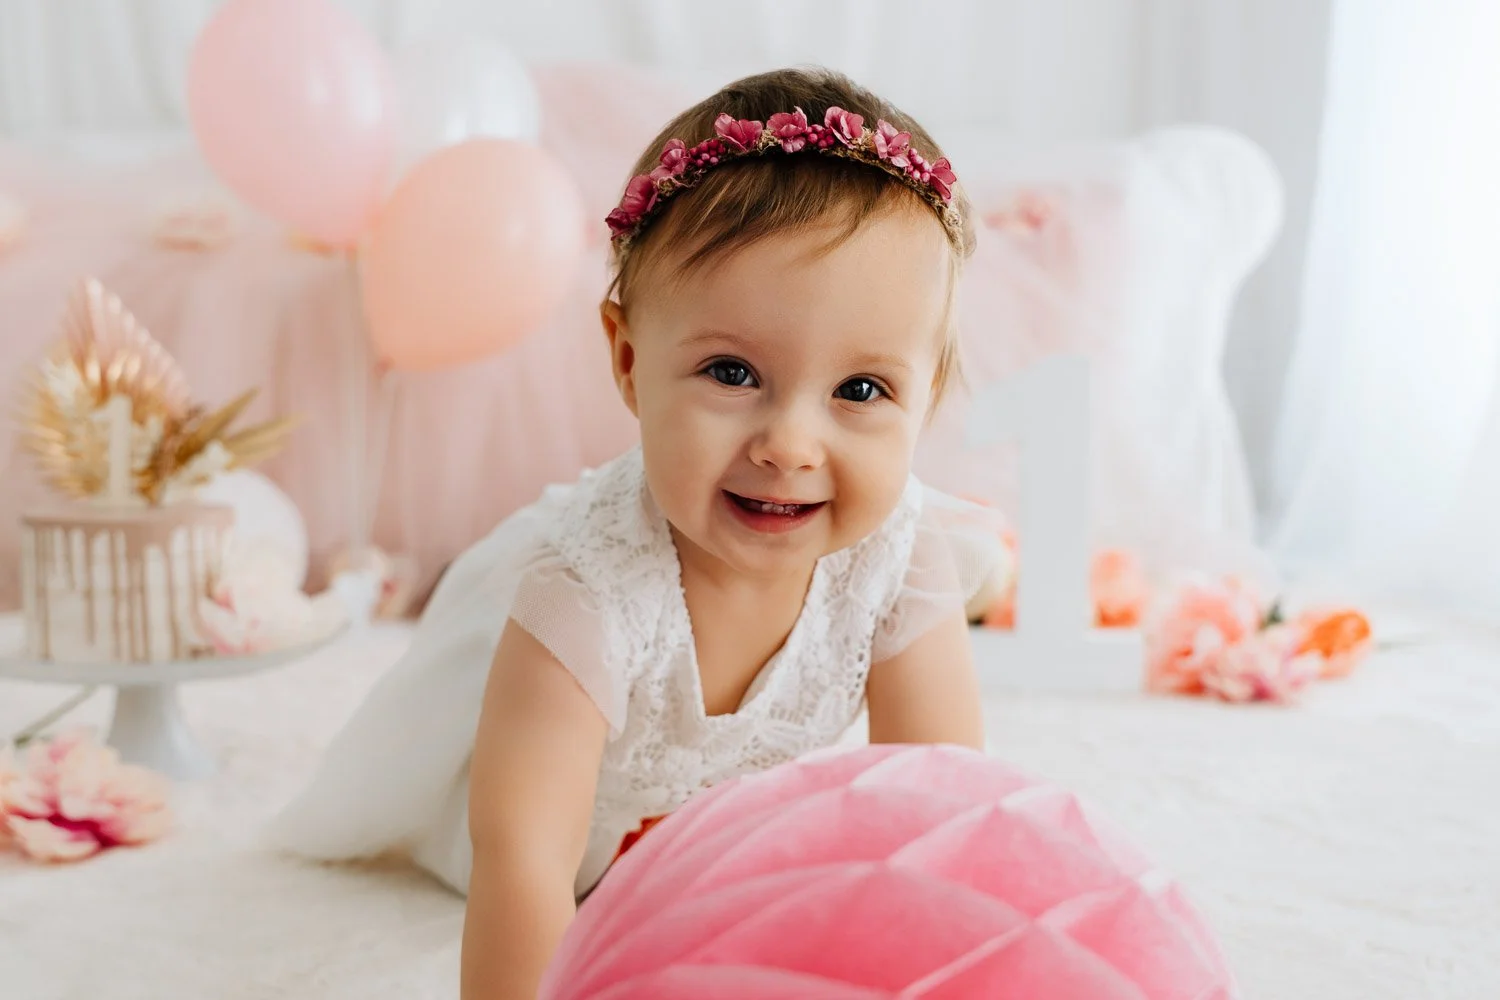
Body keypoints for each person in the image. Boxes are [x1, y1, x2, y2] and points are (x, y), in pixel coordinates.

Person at [265, 66, 1004, 999]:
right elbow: (522, 863)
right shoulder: (585, 591)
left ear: (925, 397)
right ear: (626, 358)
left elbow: (939, 806)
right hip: (558, 838)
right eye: (732, 373)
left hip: (719, 846)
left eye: (861, 391)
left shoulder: (900, 561)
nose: (788, 446)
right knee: (550, 861)